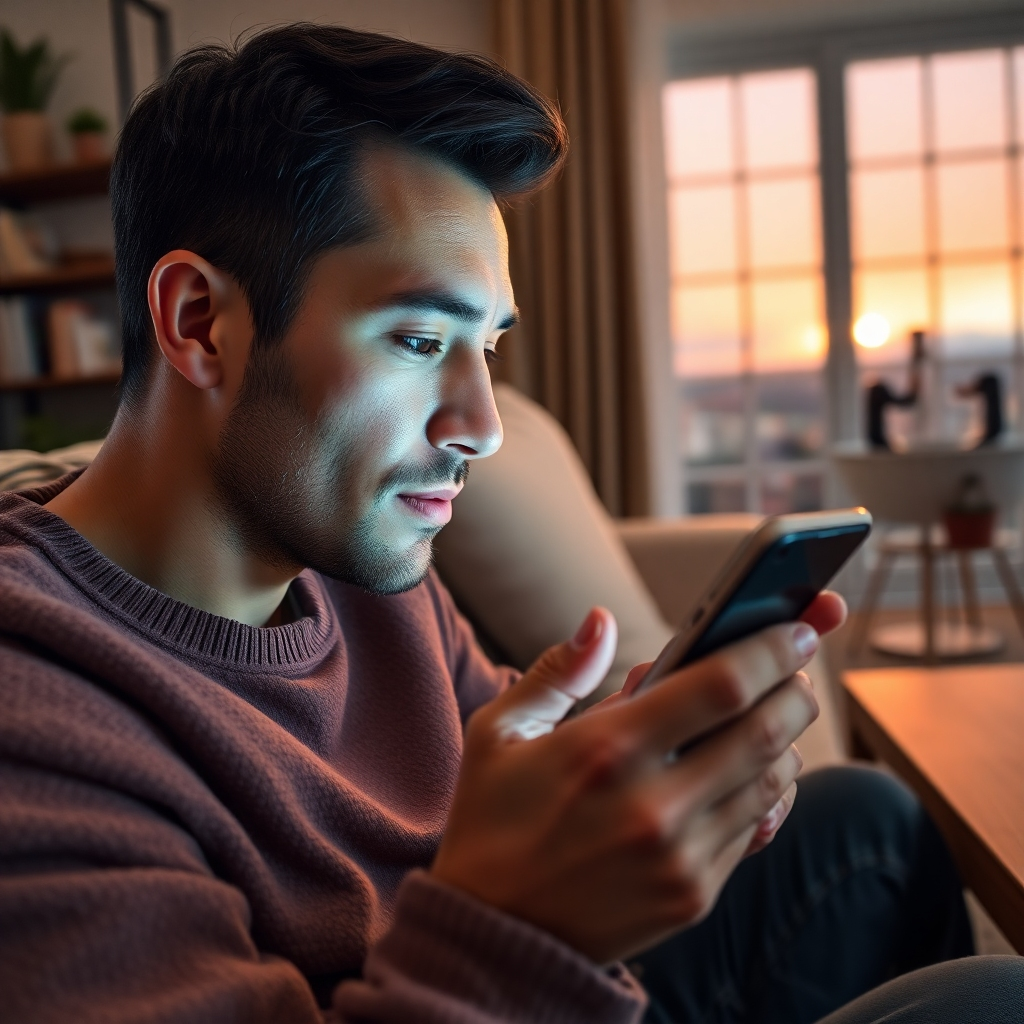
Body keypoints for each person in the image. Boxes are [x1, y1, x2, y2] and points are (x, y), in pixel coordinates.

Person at [0, 23, 1020, 1024]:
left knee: (867, 825)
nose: (482, 427)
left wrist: (643, 786)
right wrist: (530, 933)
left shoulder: (362, 566)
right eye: (416, 337)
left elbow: (501, 796)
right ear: (197, 322)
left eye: (485, 346)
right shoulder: (38, 718)